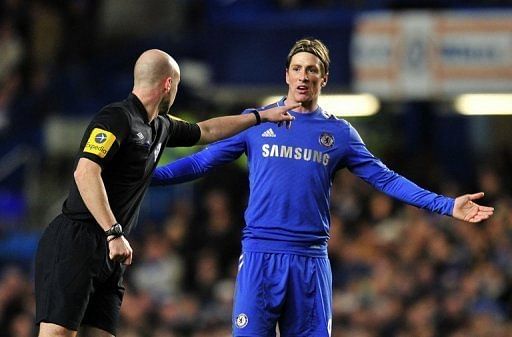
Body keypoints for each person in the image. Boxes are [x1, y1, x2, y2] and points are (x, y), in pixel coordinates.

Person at [151, 38, 494, 337]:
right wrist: (148, 177)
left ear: (323, 78)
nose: (304, 76)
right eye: (297, 68)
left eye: (312, 70)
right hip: (260, 256)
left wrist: (446, 205)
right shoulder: (255, 121)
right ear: (286, 74)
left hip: (309, 261)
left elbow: (386, 178)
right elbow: (200, 162)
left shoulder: (339, 134)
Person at [34, 49, 297, 337]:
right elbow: (85, 172)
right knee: (58, 333)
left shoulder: (160, 126)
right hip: (78, 238)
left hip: (109, 251)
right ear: (168, 85)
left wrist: (259, 117)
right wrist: (113, 231)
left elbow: (207, 130)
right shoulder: (116, 118)